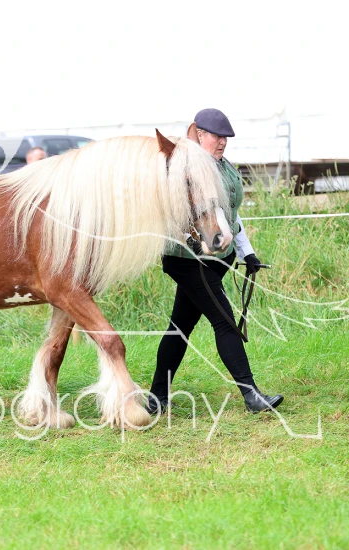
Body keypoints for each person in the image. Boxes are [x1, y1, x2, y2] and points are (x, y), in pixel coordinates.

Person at [147, 108, 284, 414]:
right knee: (224, 321)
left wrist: (246, 252)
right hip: (189, 259)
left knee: (180, 327)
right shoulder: (184, 169)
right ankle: (251, 396)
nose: (222, 142)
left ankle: (156, 397)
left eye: (226, 137)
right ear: (199, 135)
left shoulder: (223, 167)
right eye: (216, 136)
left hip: (218, 259)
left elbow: (230, 215)